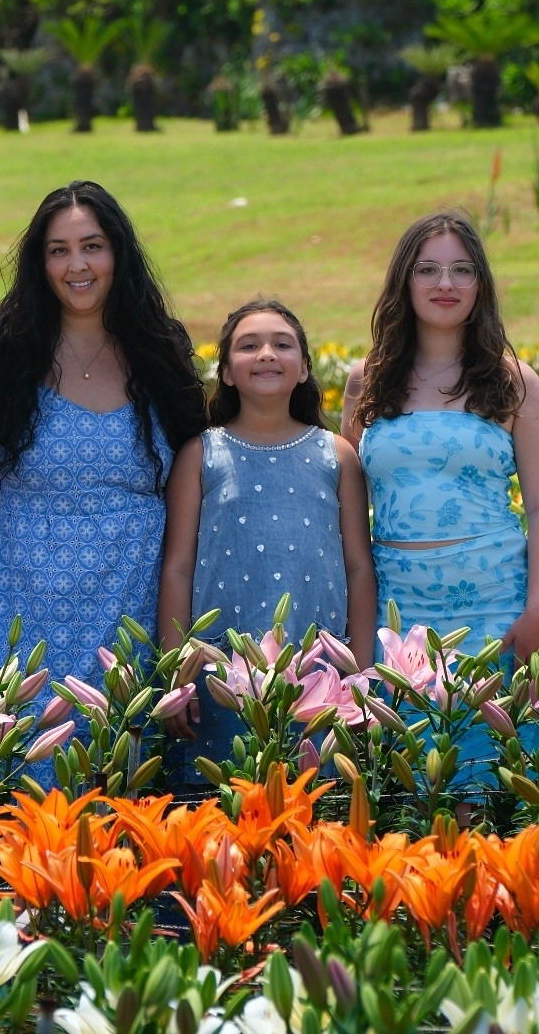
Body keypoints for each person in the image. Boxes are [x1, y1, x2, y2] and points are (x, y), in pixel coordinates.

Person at [0, 181, 207, 711]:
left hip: (133, 605)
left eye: (92, 246)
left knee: (121, 776)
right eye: (59, 251)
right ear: (40, 263)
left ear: (119, 254)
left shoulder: (160, 352)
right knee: (12, 764)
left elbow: (193, 480)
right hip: (12, 600)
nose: (77, 265)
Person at [342, 208, 539, 693]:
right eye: (428, 269)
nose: (447, 283)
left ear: (480, 285)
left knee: (495, 764)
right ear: (404, 281)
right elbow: (353, 515)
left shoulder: (516, 383)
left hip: (496, 610)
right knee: (404, 765)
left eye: (463, 270)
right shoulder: (367, 381)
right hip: (397, 614)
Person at [158, 298, 377, 765]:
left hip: (319, 677)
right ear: (227, 373)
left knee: (314, 815)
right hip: (217, 675)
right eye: (248, 345)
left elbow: (359, 568)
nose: (266, 354)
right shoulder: (201, 454)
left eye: (282, 344)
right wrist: (175, 670)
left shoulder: (337, 455)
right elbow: (177, 569)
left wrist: (359, 672)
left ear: (303, 369)